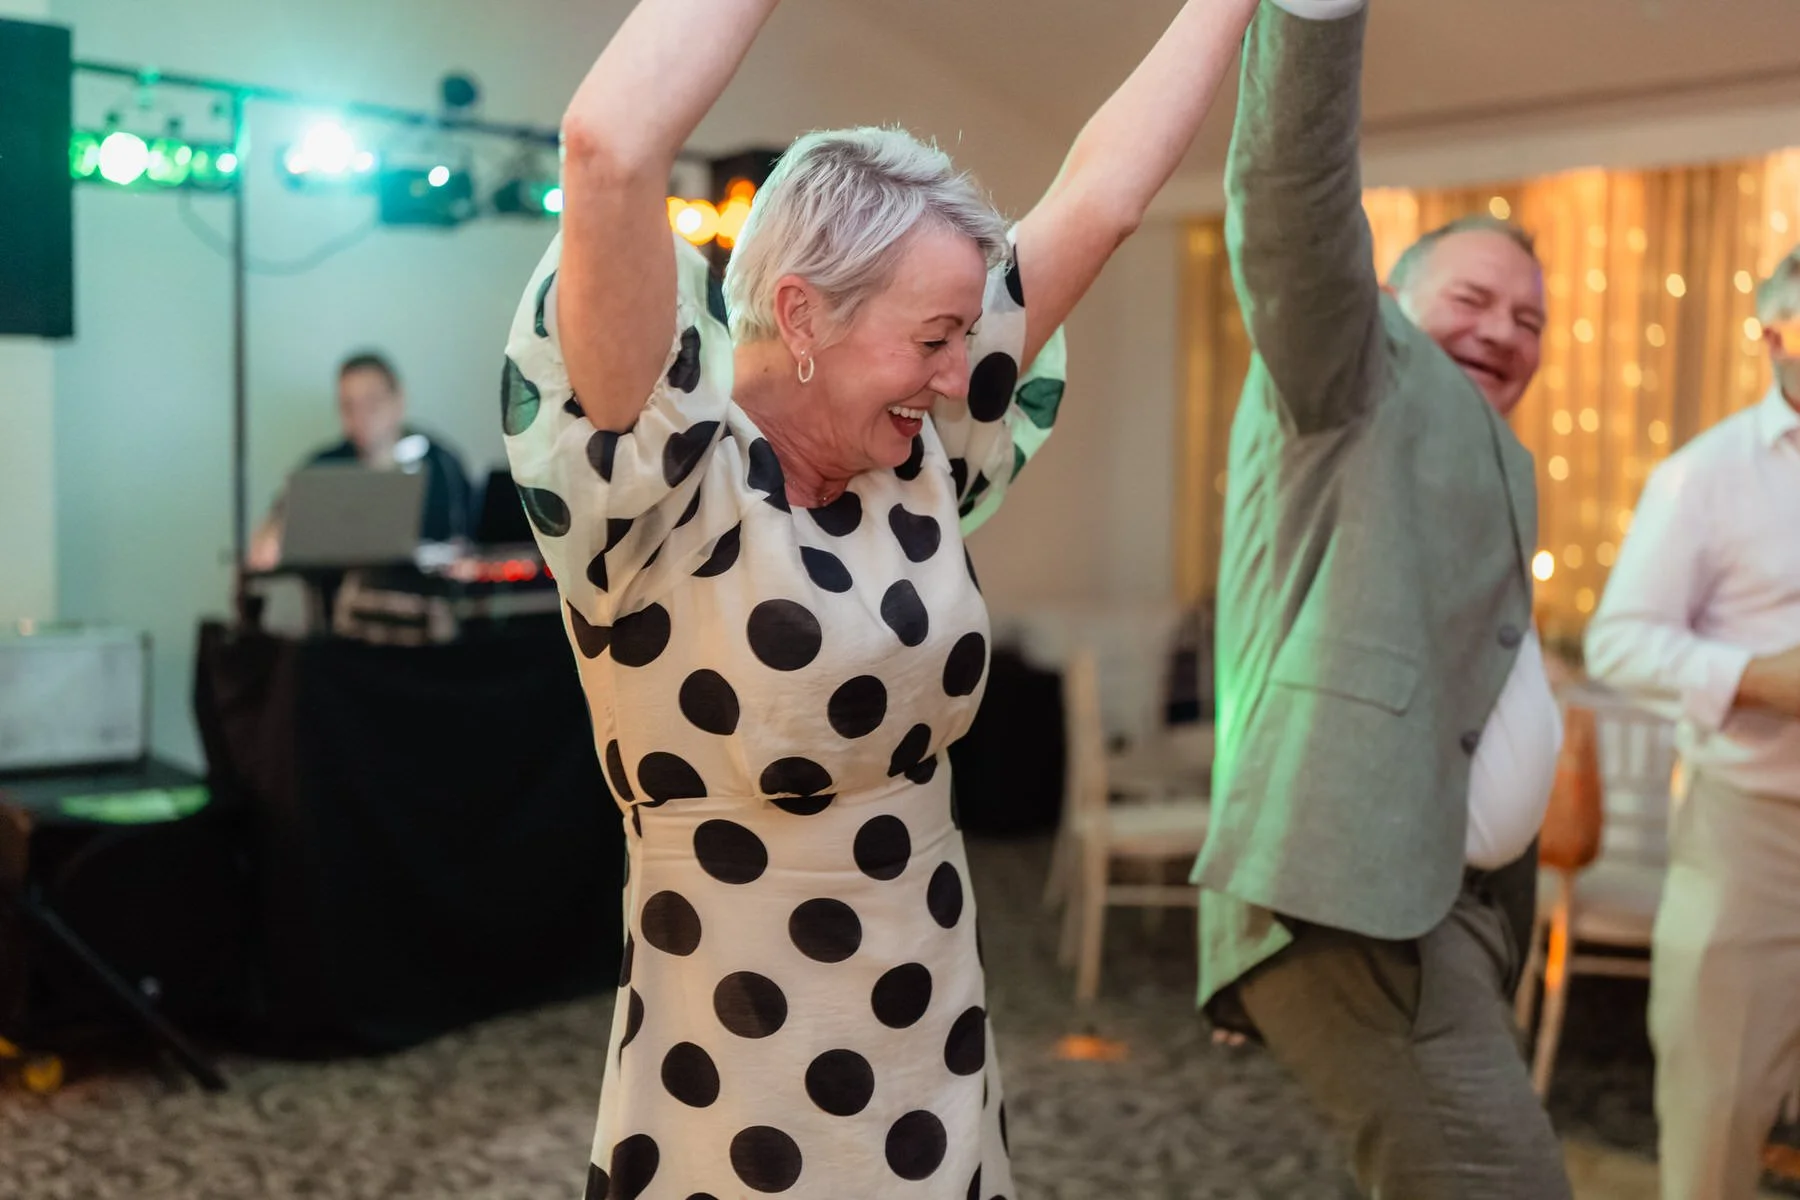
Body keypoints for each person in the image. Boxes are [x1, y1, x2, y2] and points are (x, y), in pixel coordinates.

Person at [500, 0, 1260, 1193]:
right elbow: (606, 142)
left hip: (928, 1020)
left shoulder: (920, 456)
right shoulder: (656, 482)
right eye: (936, 338)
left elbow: (1105, 199)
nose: (963, 374)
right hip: (738, 1050)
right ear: (804, 312)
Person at [1189, 2, 1571, 1196]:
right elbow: (1294, 198)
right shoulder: (1352, 371)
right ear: (1391, 301)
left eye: (1530, 320)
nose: (1503, 331)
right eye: (1473, 299)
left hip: (1442, 905)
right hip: (1357, 899)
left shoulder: (1492, 456)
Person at [1584, 246, 1800, 1200]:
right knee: (1718, 1115)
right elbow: (1617, 643)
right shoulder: (1704, 476)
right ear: (1775, 336)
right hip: (1757, 833)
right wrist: (1758, 679)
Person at [247, 352, 472, 569]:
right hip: (341, 592)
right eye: (349, 406)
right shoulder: (322, 469)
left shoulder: (443, 465)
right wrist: (271, 537)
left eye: (372, 403)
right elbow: (271, 530)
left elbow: (472, 541)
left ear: (399, 400)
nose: (360, 416)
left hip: (425, 591)